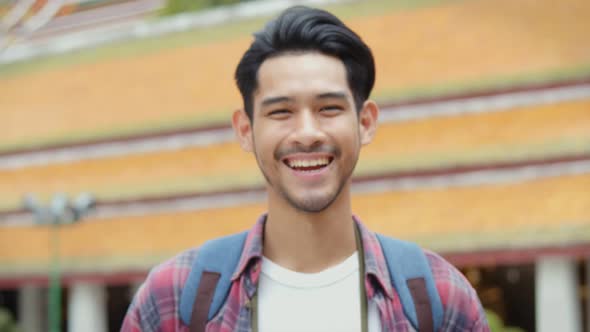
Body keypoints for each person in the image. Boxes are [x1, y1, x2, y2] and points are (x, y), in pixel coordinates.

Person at [121, 6, 489, 332]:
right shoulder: (173, 297)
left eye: (329, 108)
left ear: (365, 122)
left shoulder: (441, 297)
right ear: (246, 131)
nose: (308, 133)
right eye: (281, 112)